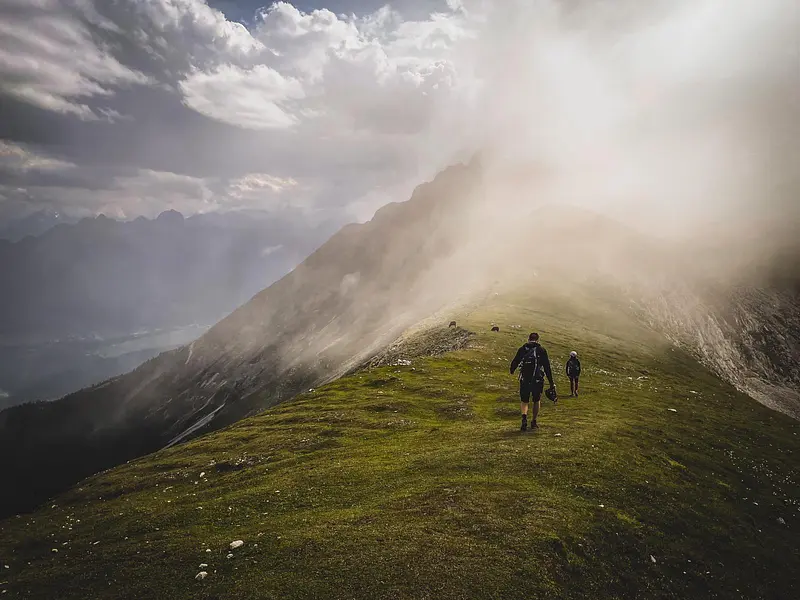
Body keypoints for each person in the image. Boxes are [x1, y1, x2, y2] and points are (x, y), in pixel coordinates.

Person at [510, 332, 556, 431]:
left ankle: (524, 418)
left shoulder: (523, 349)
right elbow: (547, 367)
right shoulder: (541, 350)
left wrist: (512, 370)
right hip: (537, 379)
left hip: (525, 379)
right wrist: (551, 382)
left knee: (524, 400)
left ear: (528, 339)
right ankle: (534, 421)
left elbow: (515, 361)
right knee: (536, 400)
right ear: (538, 340)